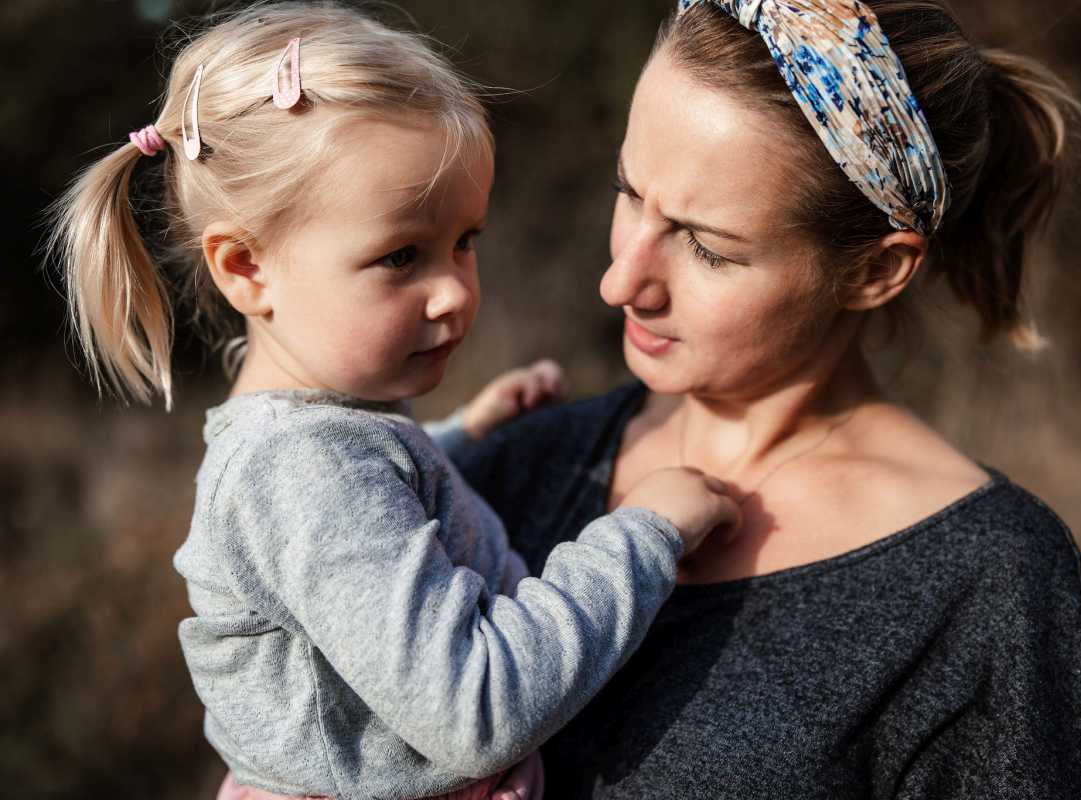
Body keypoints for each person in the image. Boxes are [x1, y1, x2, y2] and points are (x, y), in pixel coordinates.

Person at [43, 3, 743, 799]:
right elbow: (477, 713)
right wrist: (643, 535)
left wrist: (455, 441)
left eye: (465, 241)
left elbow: (366, 515)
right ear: (246, 269)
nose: (452, 291)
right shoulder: (301, 473)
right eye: (400, 255)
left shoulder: (316, 439)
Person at [443, 0, 1081, 796]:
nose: (620, 281)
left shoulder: (989, 583)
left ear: (877, 271)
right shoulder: (521, 465)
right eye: (629, 193)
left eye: (707, 247)